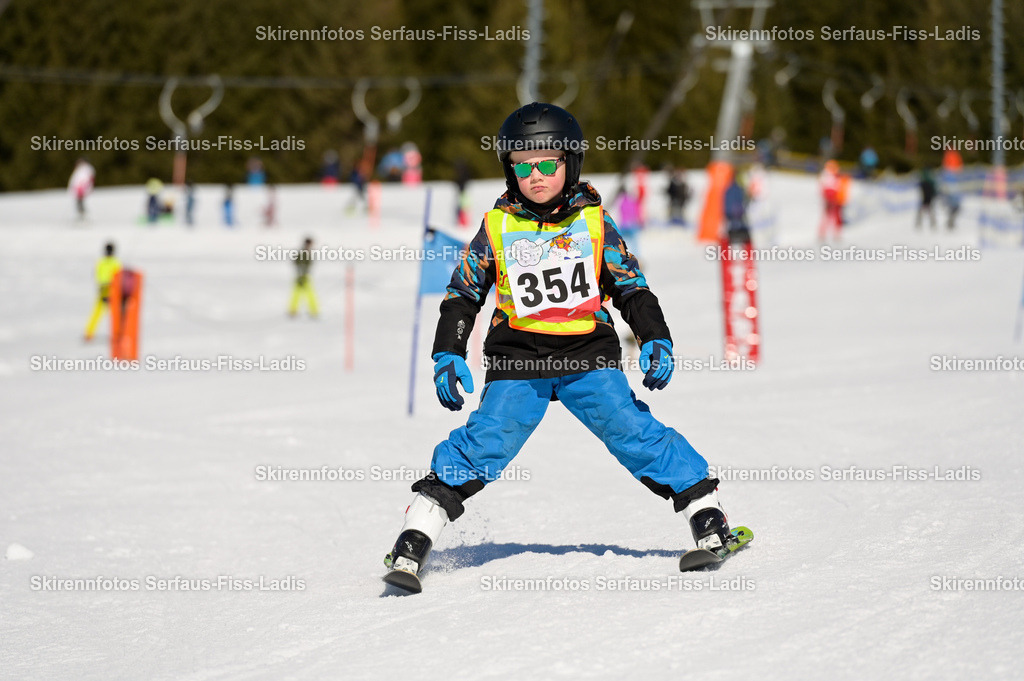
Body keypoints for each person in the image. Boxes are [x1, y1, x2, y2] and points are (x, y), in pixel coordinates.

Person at [383, 102, 736, 590]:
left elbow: (630, 288)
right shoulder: (497, 227)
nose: (535, 175)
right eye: (522, 165)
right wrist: (449, 353)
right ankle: (414, 538)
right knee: (485, 441)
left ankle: (706, 514)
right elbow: (463, 294)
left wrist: (656, 337)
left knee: (631, 430)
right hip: (517, 362)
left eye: (547, 162)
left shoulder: (593, 224)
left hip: (587, 357)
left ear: (571, 162)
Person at [84, 242, 121, 341]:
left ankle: (90, 333)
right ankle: (90, 333)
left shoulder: (102, 262)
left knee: (105, 313)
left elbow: (98, 275)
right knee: (106, 313)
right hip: (107, 290)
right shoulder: (114, 263)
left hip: (106, 289)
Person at [288, 237, 319, 318]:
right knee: (299, 294)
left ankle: (312, 311)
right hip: (302, 277)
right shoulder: (303, 253)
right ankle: (294, 311)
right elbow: (299, 264)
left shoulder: (307, 252)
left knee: (308, 294)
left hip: (304, 276)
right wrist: (301, 276)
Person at [723, 168, 751, 244]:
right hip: (735, 213)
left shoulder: (730, 188)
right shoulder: (736, 188)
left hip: (733, 212)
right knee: (737, 228)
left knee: (734, 228)